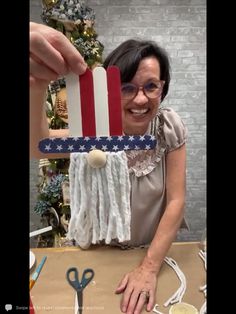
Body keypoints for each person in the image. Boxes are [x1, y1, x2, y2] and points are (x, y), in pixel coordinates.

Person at [30, 21, 188, 314]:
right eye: (127, 87)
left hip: (148, 254)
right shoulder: (93, 135)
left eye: (151, 86)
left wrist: (149, 269)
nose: (141, 99)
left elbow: (176, 201)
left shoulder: (168, 128)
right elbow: (38, 146)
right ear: (110, 90)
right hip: (97, 253)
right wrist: (36, 86)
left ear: (162, 88)